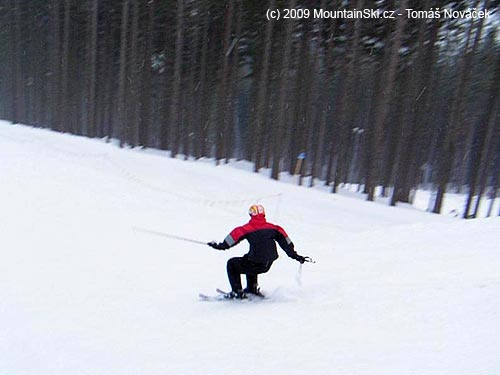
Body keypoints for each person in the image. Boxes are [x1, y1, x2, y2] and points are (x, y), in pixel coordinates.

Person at [208, 204, 311, 299]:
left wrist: (218, 246)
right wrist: (296, 256)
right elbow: (286, 242)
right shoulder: (274, 228)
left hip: (257, 263)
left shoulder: (246, 229)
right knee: (248, 258)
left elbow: (230, 240)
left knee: (232, 264)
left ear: (251, 214)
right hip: (267, 264)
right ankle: (252, 289)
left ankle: (237, 292)